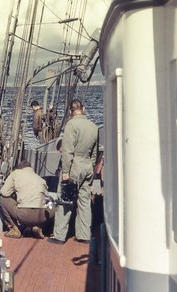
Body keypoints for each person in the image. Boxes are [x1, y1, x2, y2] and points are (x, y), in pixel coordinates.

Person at [48, 99, 98, 245]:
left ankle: (59, 236)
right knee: (84, 201)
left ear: (70, 111)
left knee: (65, 200)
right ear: (83, 108)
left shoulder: (71, 125)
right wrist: (91, 166)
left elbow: (67, 151)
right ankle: (83, 235)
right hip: (87, 165)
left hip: (74, 165)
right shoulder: (93, 126)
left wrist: (65, 172)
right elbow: (95, 152)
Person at [0, 161, 55, 239]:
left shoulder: (15, 173)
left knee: (2, 199)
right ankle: (40, 227)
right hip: (42, 217)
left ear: (19, 168)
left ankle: (14, 229)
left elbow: (4, 192)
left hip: (24, 215)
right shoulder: (39, 178)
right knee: (53, 205)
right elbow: (47, 197)